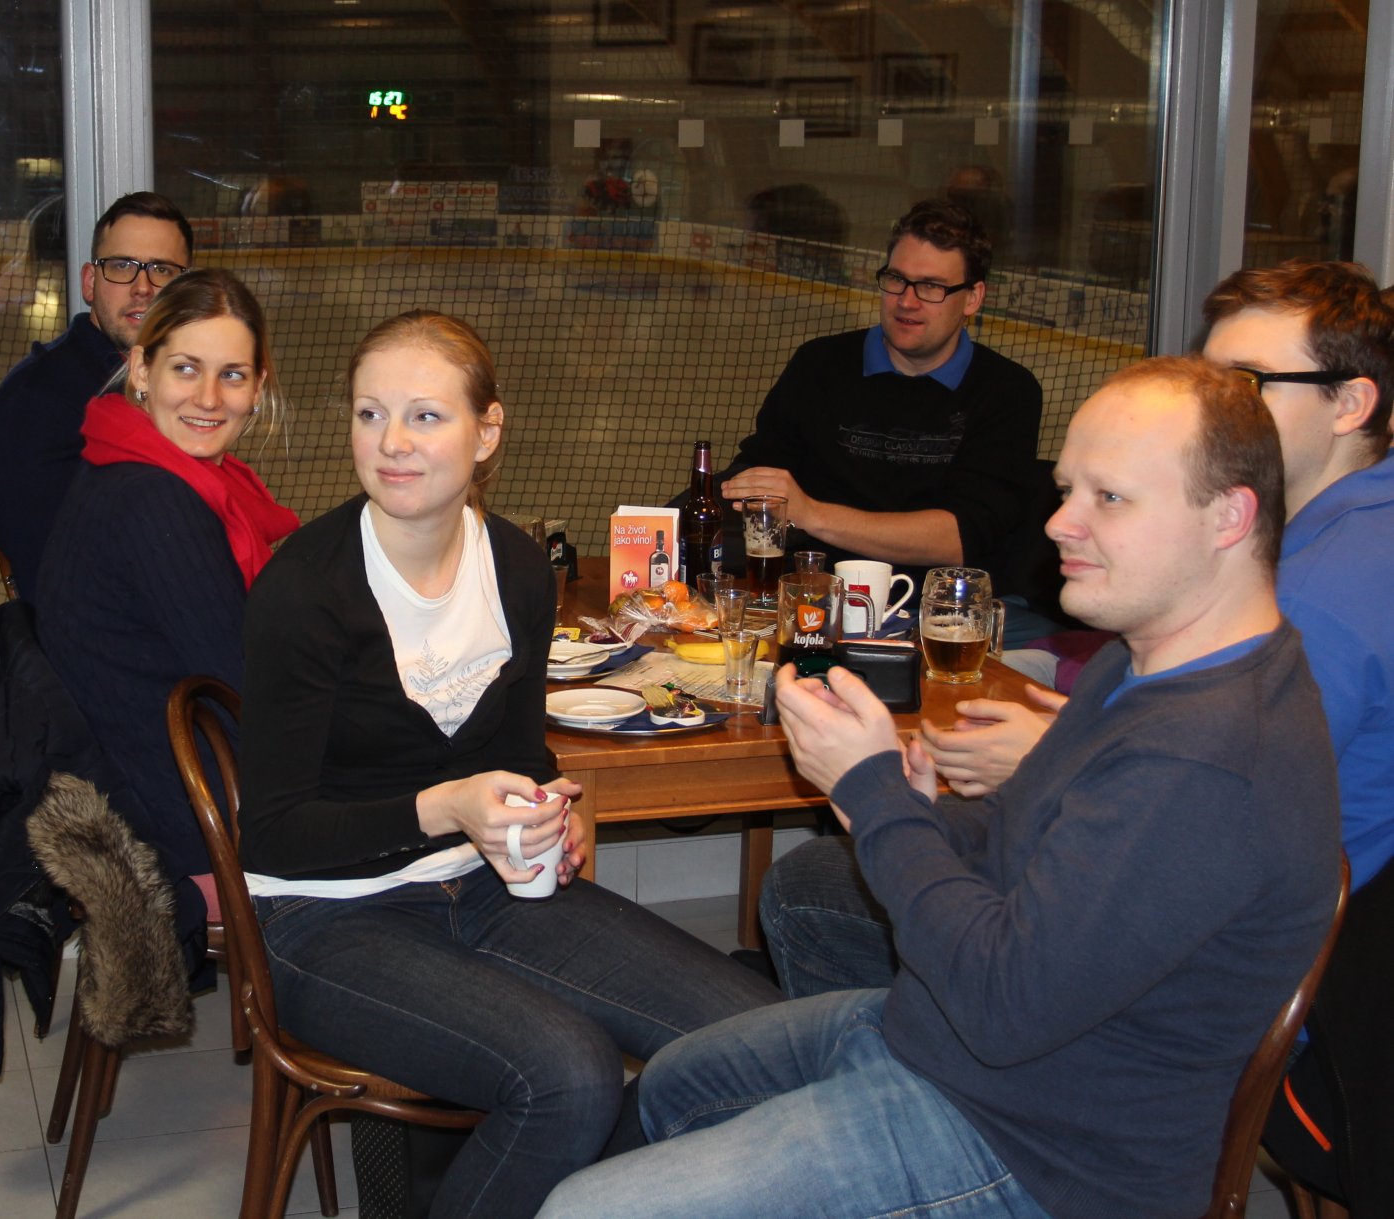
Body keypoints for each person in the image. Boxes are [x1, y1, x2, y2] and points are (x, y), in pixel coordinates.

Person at [538, 356, 1341, 1219]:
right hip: (945, 1045)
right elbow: (1030, 850)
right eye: (1067, 490)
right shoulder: (1141, 663)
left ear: (1229, 516)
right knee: (673, 1084)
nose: (1060, 523)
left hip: (1036, 1151)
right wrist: (923, 811)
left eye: (1110, 498)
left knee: (585, 1212)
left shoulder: (1207, 756)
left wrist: (874, 793)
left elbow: (1003, 1001)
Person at [238, 310, 779, 1219]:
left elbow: (524, 759)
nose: (392, 443)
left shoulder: (520, 570)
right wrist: (448, 806)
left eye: (425, 415)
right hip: (326, 918)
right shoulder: (304, 588)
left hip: (487, 886)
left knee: (756, 1043)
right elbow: (274, 834)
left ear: (487, 432)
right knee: (569, 1075)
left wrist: (551, 820)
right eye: (370, 414)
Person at [763, 258, 1394, 1000]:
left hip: (1185, 968)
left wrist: (1048, 757)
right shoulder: (1339, 529)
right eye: (1207, 377)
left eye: (1247, 384)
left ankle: (893, 1053)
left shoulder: (1324, 591)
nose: (1213, 407)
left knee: (818, 883)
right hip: (1166, 904)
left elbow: (1207, 803)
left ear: (1351, 403)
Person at [35, 268, 298, 962]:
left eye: (231, 375)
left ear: (258, 387)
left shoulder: (134, 463)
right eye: (186, 368)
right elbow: (250, 688)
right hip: (187, 832)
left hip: (162, 787)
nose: (209, 398)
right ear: (140, 370)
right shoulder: (154, 503)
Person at [716, 199, 1042, 592]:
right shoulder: (819, 365)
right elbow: (761, 475)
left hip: (940, 606)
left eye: (931, 287)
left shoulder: (1007, 391)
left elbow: (960, 537)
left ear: (972, 298)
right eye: (896, 279)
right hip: (813, 594)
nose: (907, 300)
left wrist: (811, 514)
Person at [0, 191, 194, 601]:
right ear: (90, 283)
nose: (143, 287)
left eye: (162, 270)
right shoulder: (37, 401)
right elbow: (56, 584)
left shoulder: (179, 386)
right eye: (122, 266)